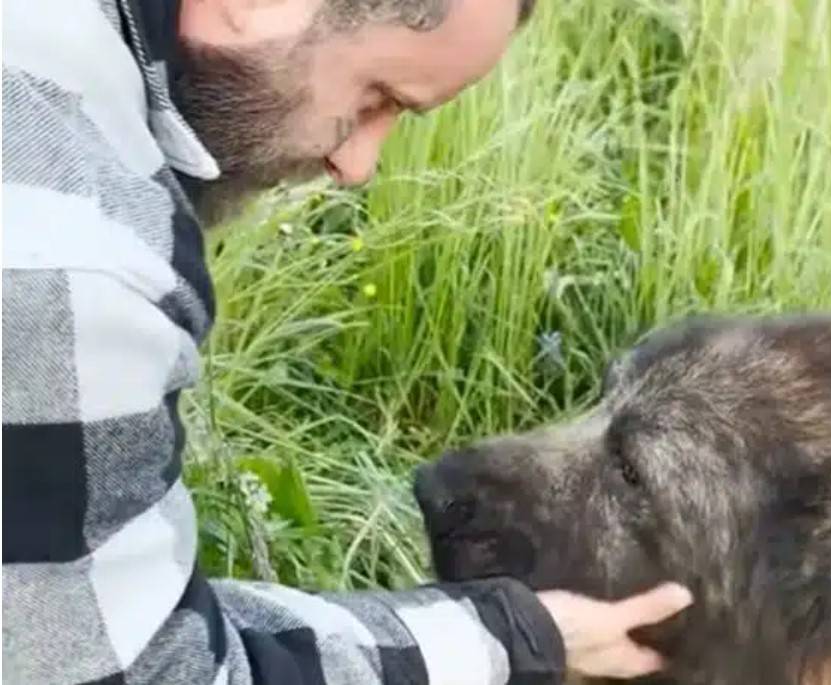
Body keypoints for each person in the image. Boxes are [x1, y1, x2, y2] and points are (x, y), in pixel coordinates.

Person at [1, 0, 694, 683]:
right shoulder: (75, 247)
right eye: (375, 98)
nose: (358, 165)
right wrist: (516, 639)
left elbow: (81, 615)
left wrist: (516, 633)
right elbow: (148, 672)